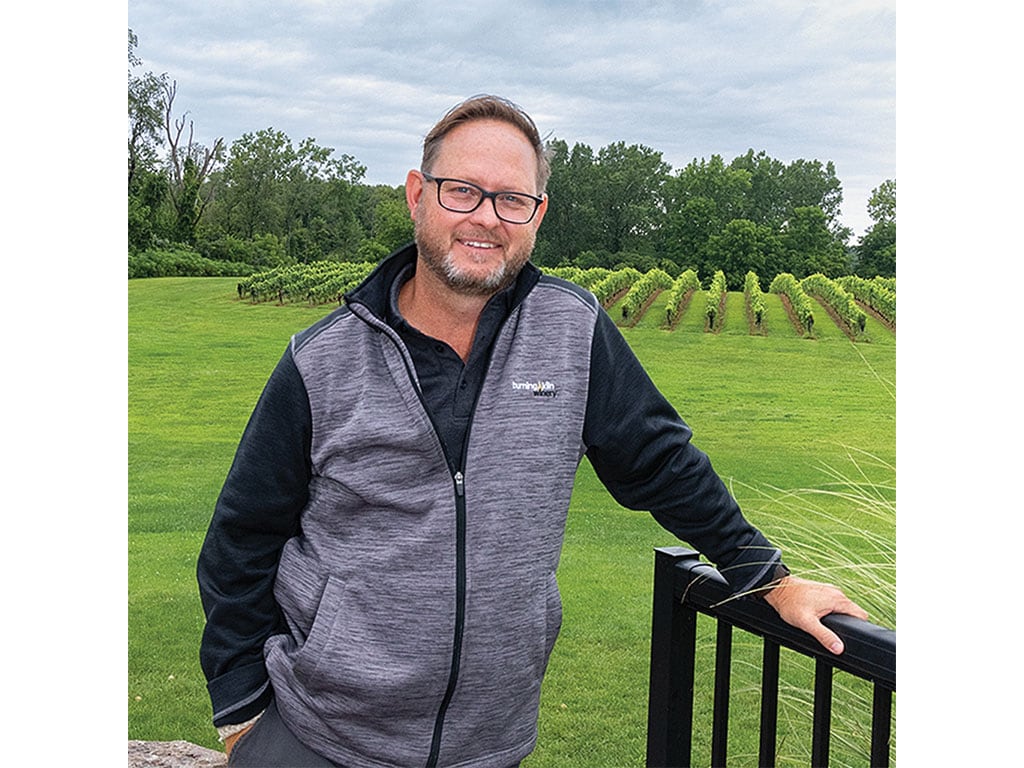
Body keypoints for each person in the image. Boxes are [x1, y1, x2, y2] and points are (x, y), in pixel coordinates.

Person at [197, 94, 868, 768]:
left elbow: (661, 462)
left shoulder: (571, 331)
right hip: (321, 738)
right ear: (417, 196)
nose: (486, 217)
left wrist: (768, 578)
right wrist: (243, 715)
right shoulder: (321, 360)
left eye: (511, 199)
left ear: (537, 215)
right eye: (462, 191)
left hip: (489, 746)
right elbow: (242, 539)